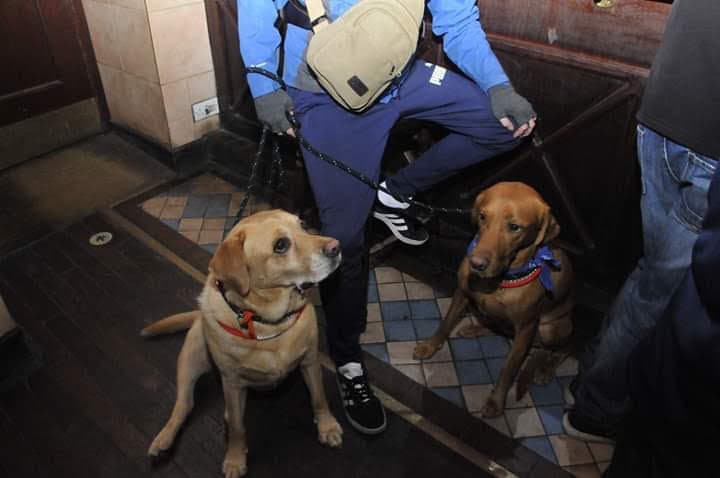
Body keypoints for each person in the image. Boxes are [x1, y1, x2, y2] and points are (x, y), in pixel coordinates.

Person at [238, 0, 536, 435]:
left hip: (400, 75)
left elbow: (457, 19)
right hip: (325, 89)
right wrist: (263, 83)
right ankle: (347, 359)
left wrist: (498, 85)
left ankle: (393, 192)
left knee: (501, 125)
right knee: (345, 241)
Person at [563, 0, 720, 442]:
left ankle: (592, 379)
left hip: (660, 117)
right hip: (709, 149)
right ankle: (596, 409)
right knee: (661, 291)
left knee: (652, 276)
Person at [604, 162, 720, 477]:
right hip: (689, 386)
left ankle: (592, 396)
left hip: (669, 135)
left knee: (650, 277)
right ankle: (595, 406)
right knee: (653, 290)